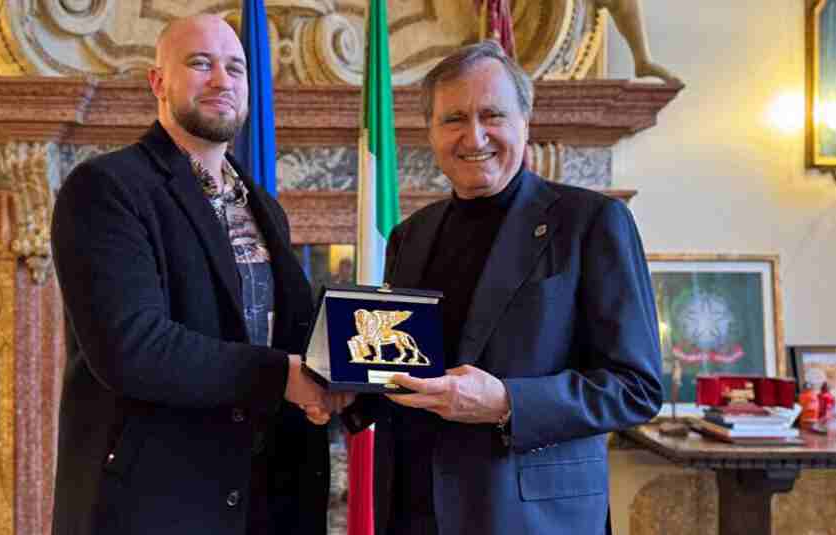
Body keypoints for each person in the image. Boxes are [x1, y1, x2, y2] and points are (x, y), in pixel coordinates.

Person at [335, 40, 663, 535]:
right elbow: (408, 369)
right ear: (430, 131)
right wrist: (345, 394)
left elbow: (635, 388)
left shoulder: (592, 222)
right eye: (453, 119)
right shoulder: (411, 234)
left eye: (492, 115)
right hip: (414, 509)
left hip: (532, 518)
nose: (474, 136)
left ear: (524, 122)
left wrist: (508, 402)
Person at [50, 15, 330, 535]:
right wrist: (282, 377)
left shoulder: (263, 206)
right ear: (158, 82)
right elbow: (132, 347)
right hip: (156, 505)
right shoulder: (106, 189)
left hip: (264, 498)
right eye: (201, 64)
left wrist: (348, 378)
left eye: (236, 68)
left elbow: (286, 334)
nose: (222, 80)